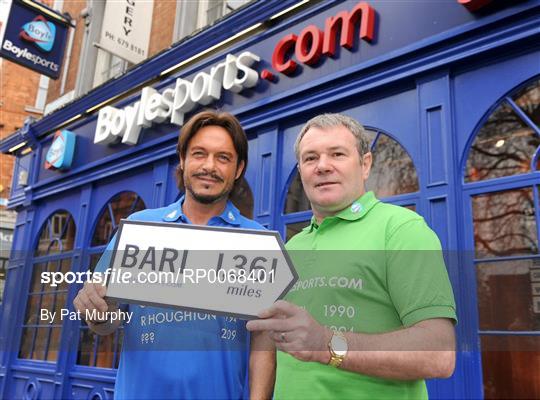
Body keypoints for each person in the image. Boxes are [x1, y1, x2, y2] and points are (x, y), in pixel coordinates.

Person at [246, 113, 457, 399]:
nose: (322, 166)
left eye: (337, 154)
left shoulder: (400, 230)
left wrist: (325, 343)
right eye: (310, 158)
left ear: (365, 164)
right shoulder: (292, 247)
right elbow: (269, 343)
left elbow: (439, 354)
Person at [74, 110, 275, 399]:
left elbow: (263, 342)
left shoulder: (258, 242)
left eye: (223, 157)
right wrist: (96, 312)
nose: (209, 166)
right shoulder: (139, 229)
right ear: (182, 160)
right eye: (199, 154)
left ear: (239, 168)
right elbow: (108, 322)